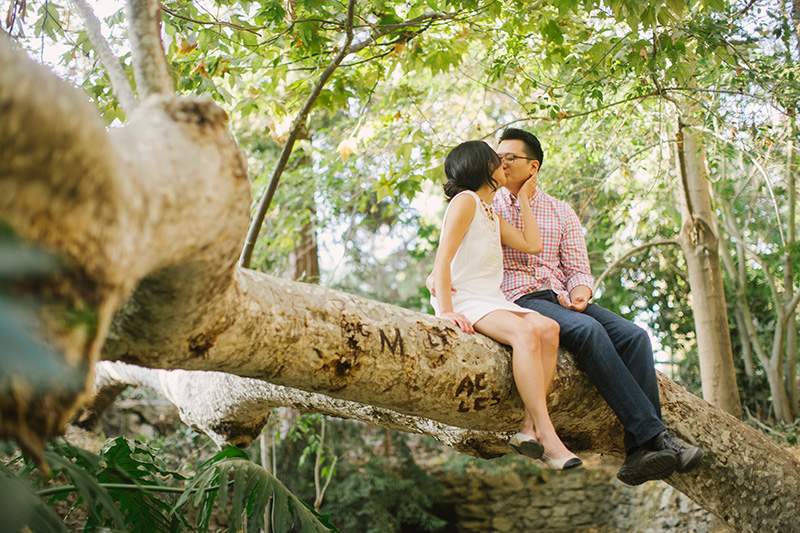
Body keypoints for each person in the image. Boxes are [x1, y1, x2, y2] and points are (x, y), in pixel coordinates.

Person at [491, 127, 704, 485]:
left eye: (510, 158)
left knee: (635, 336)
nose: (501, 164)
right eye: (498, 158)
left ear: (533, 166)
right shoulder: (489, 204)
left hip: (559, 298)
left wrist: (581, 292)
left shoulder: (561, 211)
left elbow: (577, 268)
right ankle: (657, 437)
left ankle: (638, 451)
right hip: (520, 299)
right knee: (589, 332)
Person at [429, 140, 582, 470]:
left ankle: (527, 428)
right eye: (498, 160)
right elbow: (442, 260)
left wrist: (524, 200)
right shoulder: (465, 201)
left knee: (548, 327)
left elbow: (532, 244)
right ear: (486, 169)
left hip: (490, 298)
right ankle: (548, 435)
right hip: (464, 298)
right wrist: (445, 312)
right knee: (526, 334)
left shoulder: (489, 213)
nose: (505, 164)